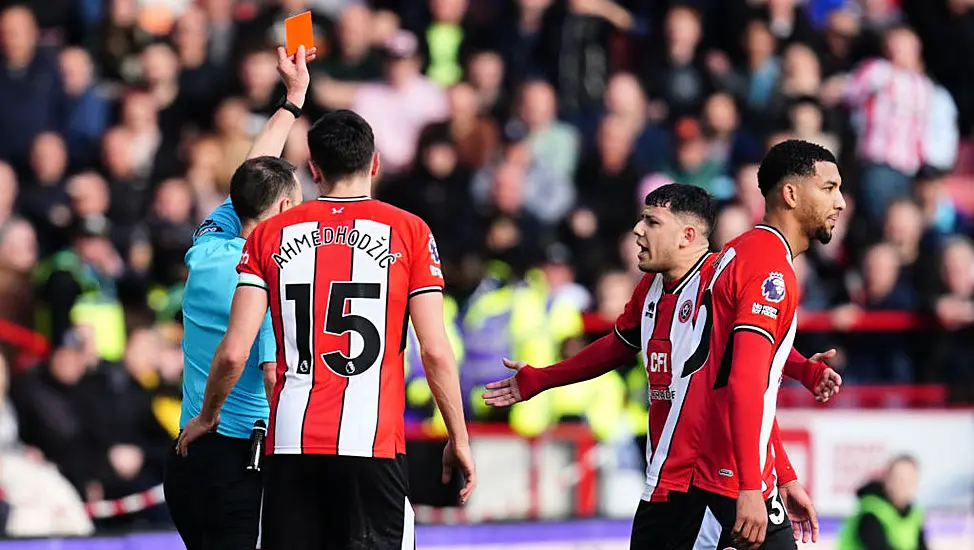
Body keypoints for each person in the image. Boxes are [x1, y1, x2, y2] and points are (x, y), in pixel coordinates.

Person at [482, 183, 841, 550]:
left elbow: (751, 371)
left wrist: (800, 378)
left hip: (719, 477)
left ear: (687, 235)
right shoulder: (652, 287)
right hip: (671, 480)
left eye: (652, 222)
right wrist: (541, 378)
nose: (638, 231)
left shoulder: (723, 276)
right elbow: (615, 347)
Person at [178, 109, 476, 550]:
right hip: (372, 444)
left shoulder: (269, 235)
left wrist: (207, 415)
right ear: (374, 162)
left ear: (314, 169)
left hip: (290, 444)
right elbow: (433, 350)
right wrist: (458, 437)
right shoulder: (410, 232)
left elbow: (235, 349)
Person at [163, 44, 315, 550]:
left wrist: (293, 101)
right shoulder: (270, 275)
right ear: (287, 207)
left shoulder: (205, 248)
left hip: (187, 455)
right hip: (241, 457)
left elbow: (251, 174)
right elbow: (269, 370)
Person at [688, 139, 846, 550]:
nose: (841, 202)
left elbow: (738, 358)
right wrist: (750, 486)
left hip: (722, 466)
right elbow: (743, 383)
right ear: (791, 194)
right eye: (829, 188)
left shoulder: (742, 250)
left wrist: (801, 368)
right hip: (722, 475)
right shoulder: (771, 270)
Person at [837, 455, 928, 550]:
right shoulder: (869, 514)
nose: (904, 486)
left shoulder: (914, 515)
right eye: (899, 479)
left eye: (909, 480)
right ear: (887, 480)